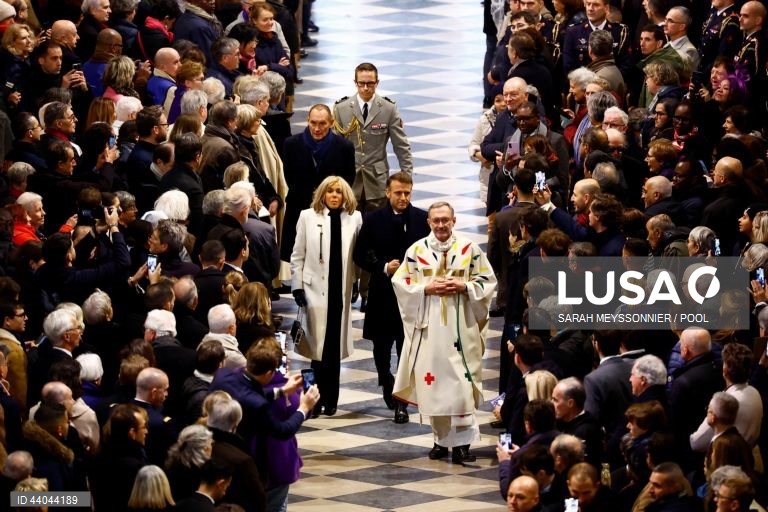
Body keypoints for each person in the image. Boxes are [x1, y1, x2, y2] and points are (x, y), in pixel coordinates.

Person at [391, 201, 496, 463]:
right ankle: (440, 441)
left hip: (462, 328)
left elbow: (488, 281)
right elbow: (400, 282)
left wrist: (463, 287)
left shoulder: (469, 250)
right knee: (433, 385)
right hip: (431, 332)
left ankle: (462, 444)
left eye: (445, 220)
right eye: (436, 220)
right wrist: (425, 289)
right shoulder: (416, 251)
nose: (440, 225)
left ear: (454, 221)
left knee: (461, 386)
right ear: (429, 222)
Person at [352, 172, 429, 423]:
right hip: (383, 293)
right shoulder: (373, 219)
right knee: (381, 347)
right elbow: (360, 254)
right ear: (387, 192)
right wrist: (384, 267)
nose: (403, 197)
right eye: (398, 193)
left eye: (407, 193)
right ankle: (386, 381)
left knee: (406, 348)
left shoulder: (421, 219)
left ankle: (402, 401)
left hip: (412, 295)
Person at [290, 176, 362, 416]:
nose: (334, 196)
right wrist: (297, 286)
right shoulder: (307, 217)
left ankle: (331, 399)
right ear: (322, 193)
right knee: (313, 352)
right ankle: (312, 400)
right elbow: (297, 255)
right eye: (330, 191)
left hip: (339, 292)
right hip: (313, 293)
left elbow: (357, 257)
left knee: (332, 352)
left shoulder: (354, 219)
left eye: (338, 192)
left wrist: (358, 284)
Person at [281, 104, 355, 263]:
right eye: (313, 123)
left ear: (331, 123)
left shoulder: (344, 147)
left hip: (331, 210)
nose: (317, 128)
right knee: (299, 255)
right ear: (307, 120)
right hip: (299, 206)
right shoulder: (291, 144)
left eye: (322, 123)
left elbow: (348, 179)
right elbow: (289, 177)